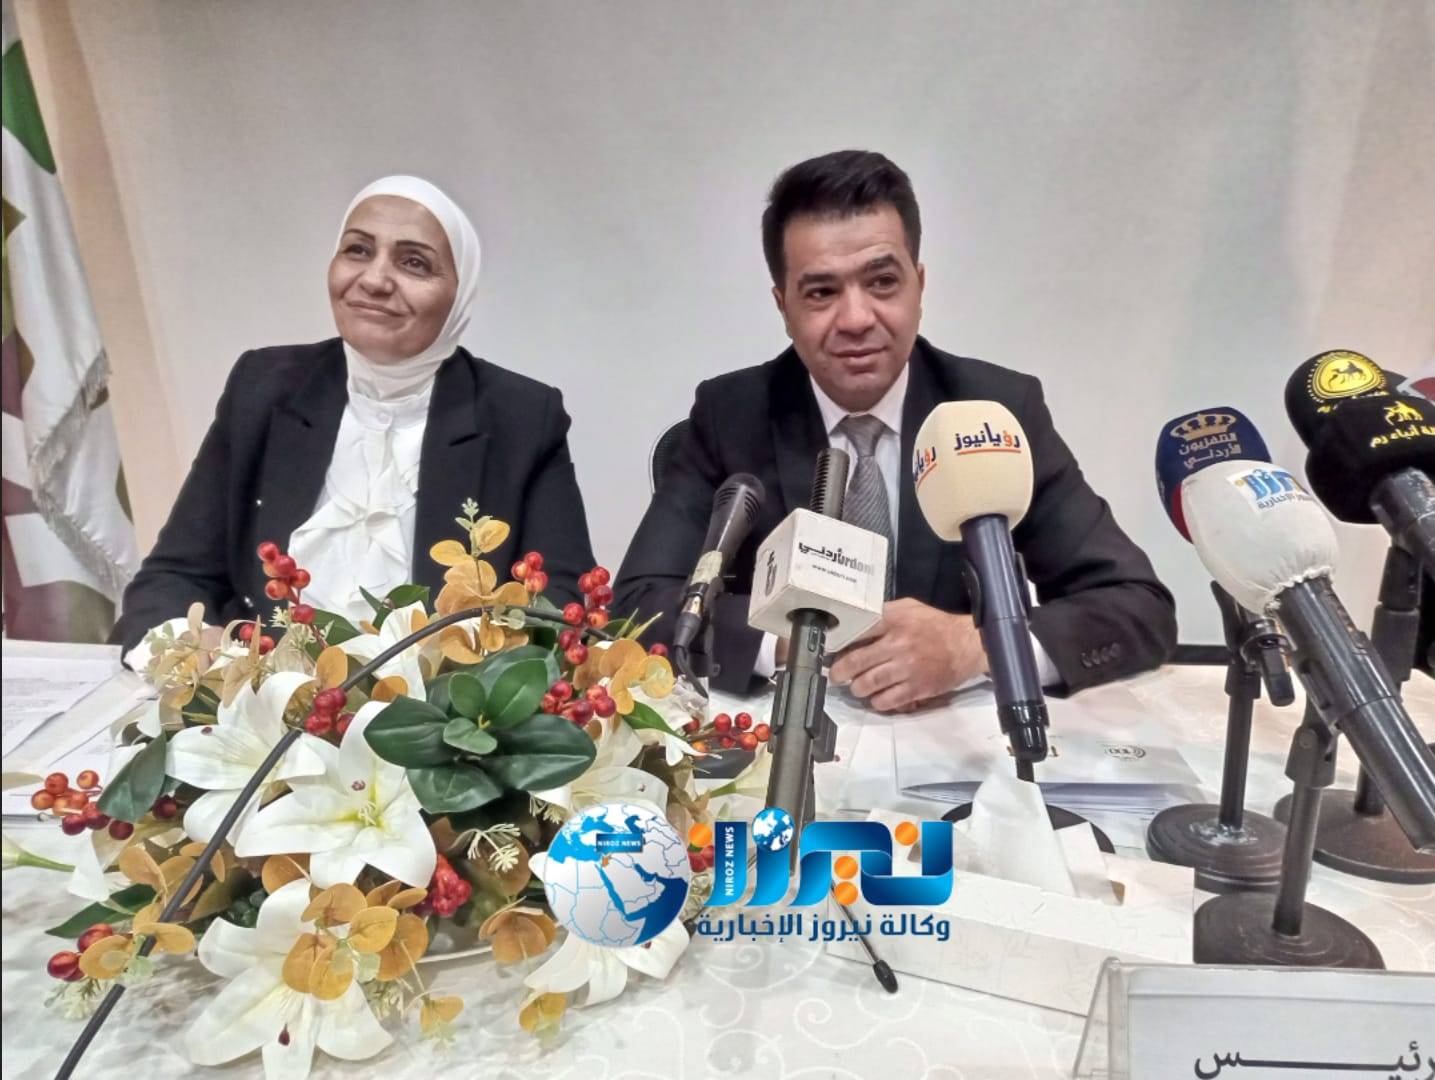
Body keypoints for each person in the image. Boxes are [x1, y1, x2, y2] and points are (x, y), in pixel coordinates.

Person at [614, 150, 1176, 709]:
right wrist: (796, 640)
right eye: (821, 292)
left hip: (951, 731)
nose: (857, 319)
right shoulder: (729, 414)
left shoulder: (995, 409)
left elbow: (1137, 605)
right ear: (783, 307)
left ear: (919, 285)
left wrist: (976, 646)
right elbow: (638, 606)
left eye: (882, 282)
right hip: (783, 727)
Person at [111, 175, 594, 652]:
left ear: (460, 291)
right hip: (261, 691)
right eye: (358, 250)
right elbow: (174, 577)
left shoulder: (521, 416)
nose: (375, 280)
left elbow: (559, 608)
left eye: (414, 263)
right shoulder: (264, 388)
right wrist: (203, 656)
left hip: (436, 698)